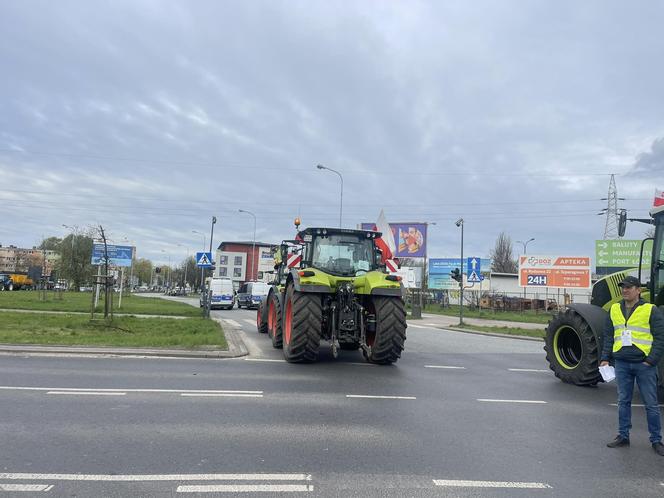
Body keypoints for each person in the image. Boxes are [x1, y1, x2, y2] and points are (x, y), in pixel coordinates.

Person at [600, 275, 664, 456]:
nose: (624, 290)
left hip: (644, 364)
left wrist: (651, 360)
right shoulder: (614, 309)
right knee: (623, 402)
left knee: (651, 404)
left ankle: (656, 440)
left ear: (638, 290)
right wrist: (605, 358)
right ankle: (623, 436)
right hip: (621, 363)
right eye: (623, 287)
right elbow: (609, 336)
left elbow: (660, 338)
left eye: (629, 287)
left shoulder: (650, 309)